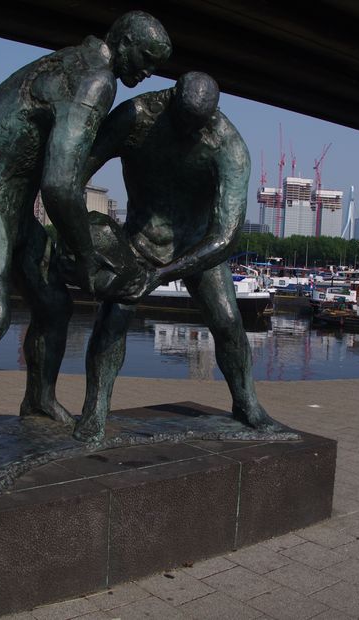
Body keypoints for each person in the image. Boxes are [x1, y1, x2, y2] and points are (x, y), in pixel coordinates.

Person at [0, 12, 171, 481]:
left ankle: (38, 398)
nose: (149, 72)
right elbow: (58, 184)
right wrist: (87, 252)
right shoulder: (95, 80)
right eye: (147, 59)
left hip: (15, 214)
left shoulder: (73, 63)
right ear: (124, 42)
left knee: (54, 304)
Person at [74, 71, 277, 443]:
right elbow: (77, 170)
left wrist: (161, 275)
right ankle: (95, 410)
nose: (191, 132)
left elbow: (226, 237)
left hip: (198, 243)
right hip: (140, 239)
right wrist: (87, 237)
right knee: (112, 322)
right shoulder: (136, 118)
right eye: (184, 121)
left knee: (228, 322)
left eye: (201, 124)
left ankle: (246, 402)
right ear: (170, 99)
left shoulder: (229, 147)